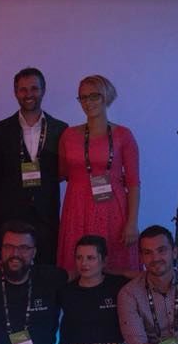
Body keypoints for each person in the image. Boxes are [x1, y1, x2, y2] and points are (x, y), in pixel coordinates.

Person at [57, 75, 140, 276]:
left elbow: (133, 183)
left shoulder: (123, 135)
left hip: (112, 211)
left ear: (106, 97)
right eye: (83, 97)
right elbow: (61, 173)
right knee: (77, 267)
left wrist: (132, 223)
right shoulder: (68, 135)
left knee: (114, 267)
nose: (88, 102)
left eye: (94, 96)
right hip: (77, 209)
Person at [0, 68, 68, 265]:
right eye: (23, 89)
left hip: (47, 216)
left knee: (46, 273)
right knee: (12, 273)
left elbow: (63, 172)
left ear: (43, 90)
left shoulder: (60, 129)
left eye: (34, 88)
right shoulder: (0, 130)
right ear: (15, 93)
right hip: (10, 217)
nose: (28, 94)